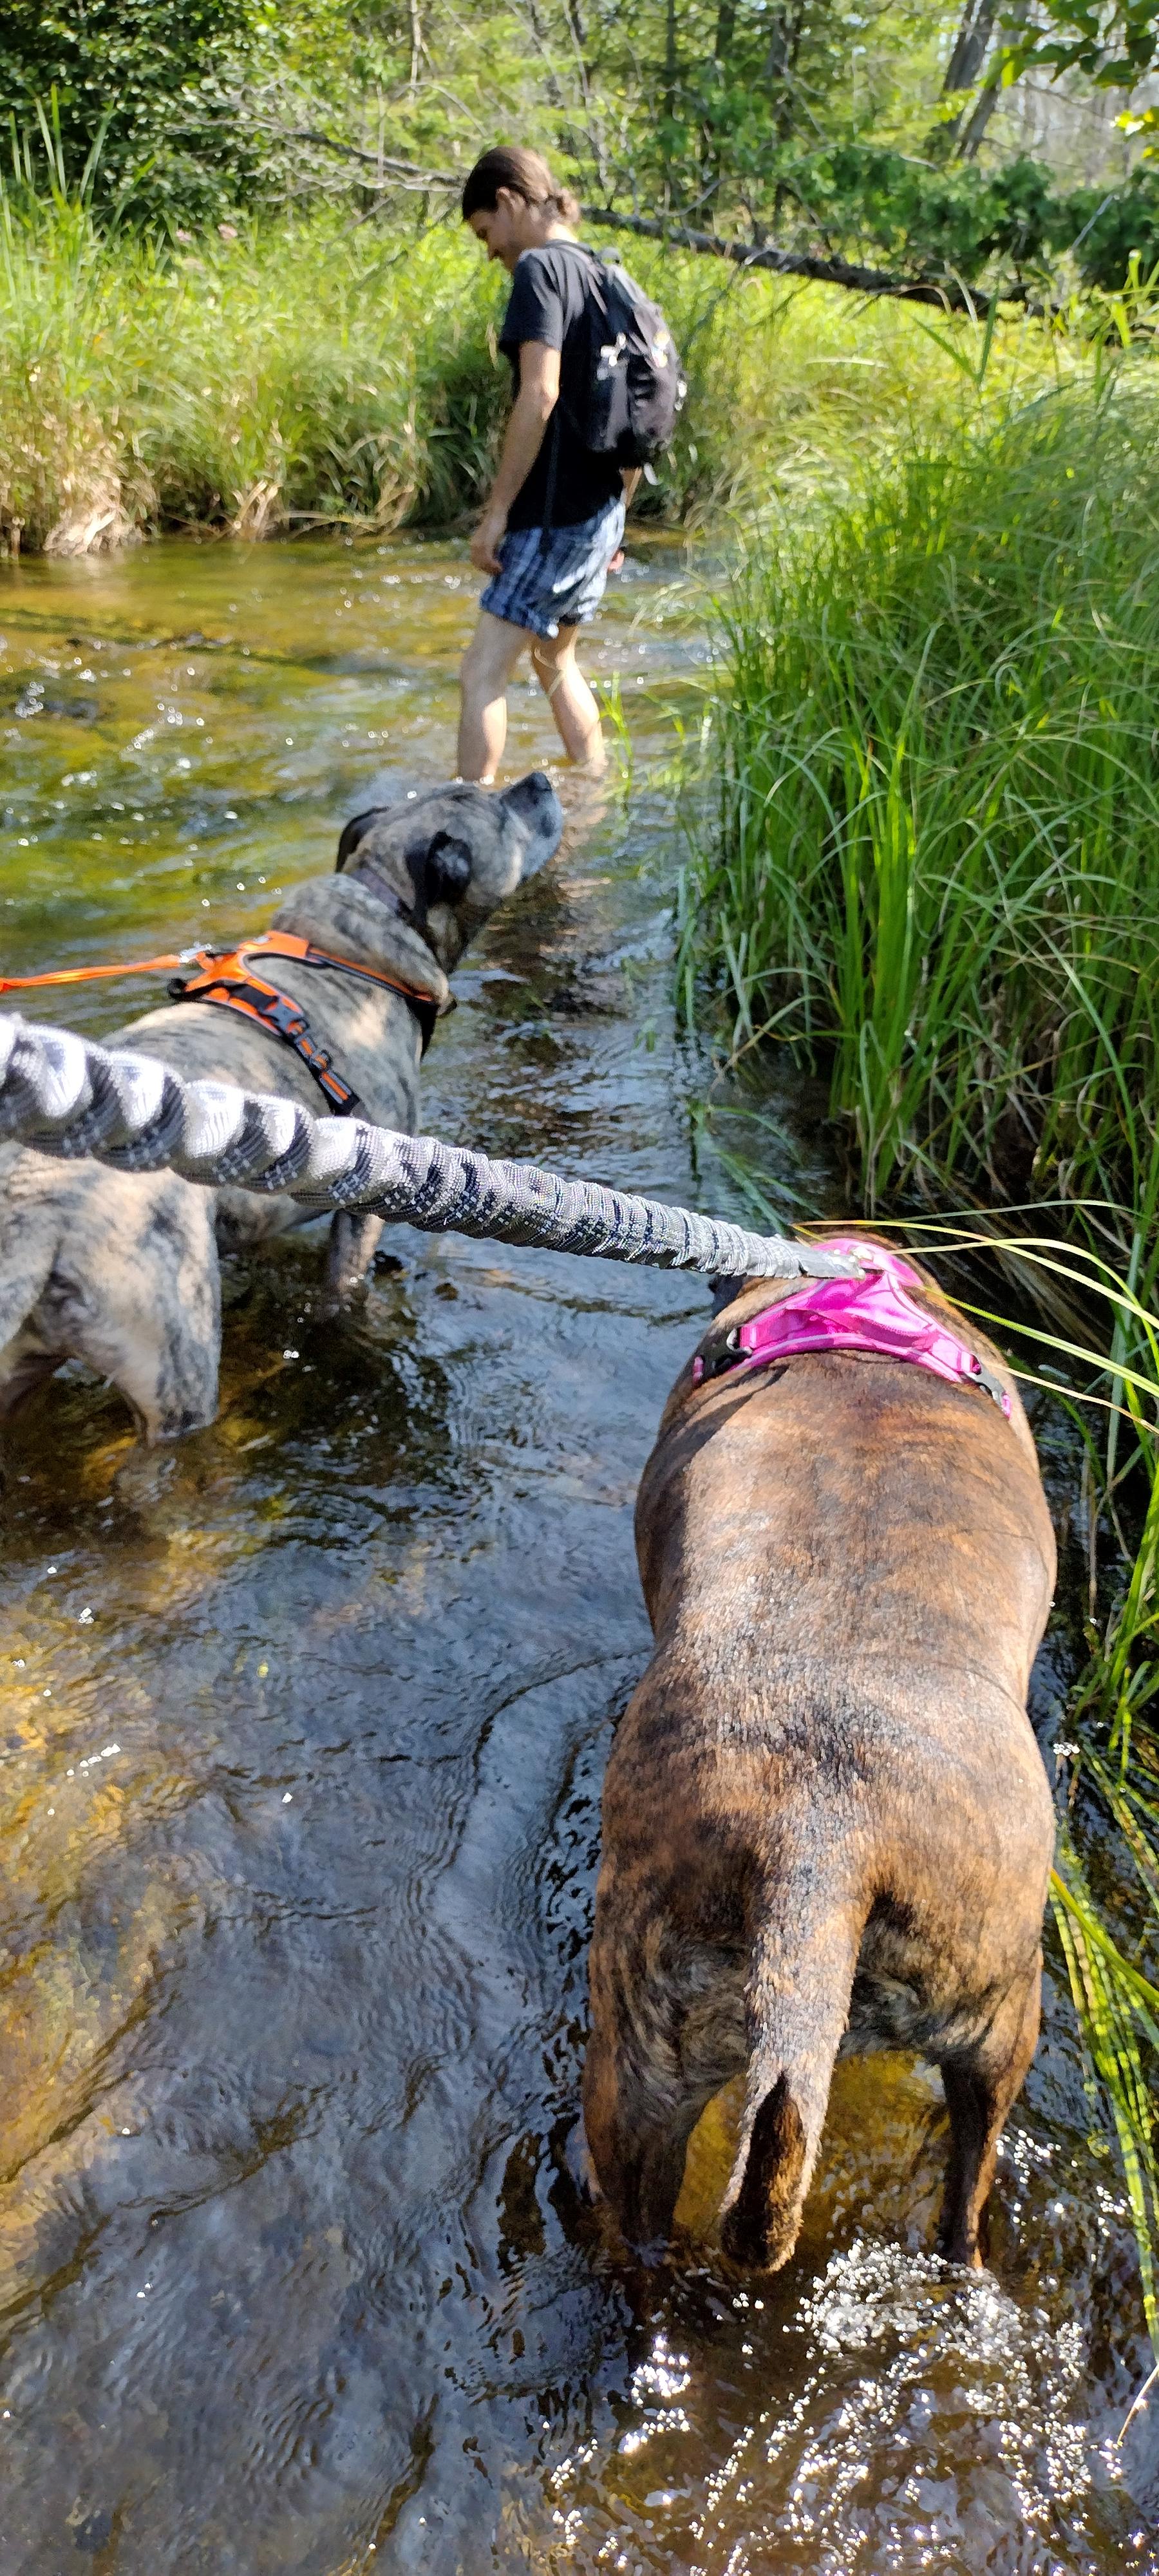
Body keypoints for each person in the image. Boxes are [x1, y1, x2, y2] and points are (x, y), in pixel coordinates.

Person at [457, 145, 639, 784]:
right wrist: (620, 514)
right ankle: (593, 793)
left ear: (507, 202)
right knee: (554, 661)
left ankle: (467, 829)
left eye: (486, 232)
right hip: (599, 512)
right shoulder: (608, 273)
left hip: (554, 512)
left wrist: (498, 513)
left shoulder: (540, 273)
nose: (490, 251)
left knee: (482, 672)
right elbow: (632, 406)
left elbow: (541, 394)